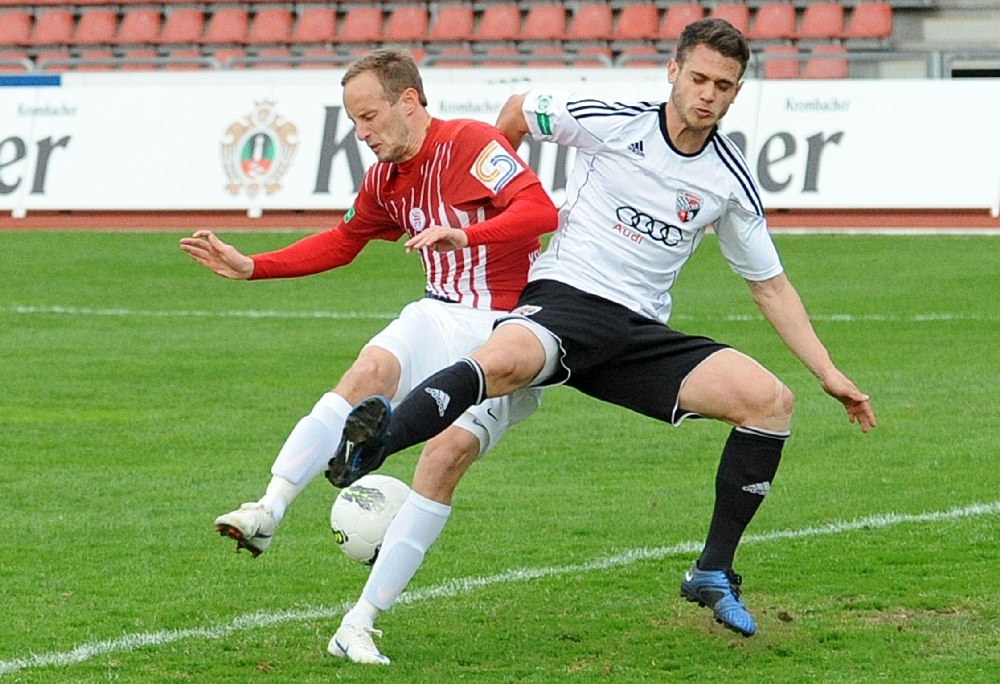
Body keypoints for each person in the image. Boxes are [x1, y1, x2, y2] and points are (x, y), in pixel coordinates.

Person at [330, 17, 877, 646]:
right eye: (698, 78)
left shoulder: (728, 179)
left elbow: (770, 286)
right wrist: (496, 206)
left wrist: (829, 374)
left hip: (635, 332)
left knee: (770, 404)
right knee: (499, 365)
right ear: (673, 71)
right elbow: (518, 109)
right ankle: (378, 441)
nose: (707, 94)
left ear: (736, 92)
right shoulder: (611, 121)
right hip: (566, 297)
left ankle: (712, 570)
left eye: (723, 86)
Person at [179, 48, 558, 664]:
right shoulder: (386, 179)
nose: (361, 132)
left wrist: (466, 234)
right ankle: (268, 507)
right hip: (440, 310)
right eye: (354, 120)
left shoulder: (471, 143)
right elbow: (344, 239)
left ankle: (359, 622)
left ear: (408, 101)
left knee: (443, 457)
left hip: (509, 329)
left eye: (369, 116)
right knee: (369, 372)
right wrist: (254, 267)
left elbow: (539, 210)